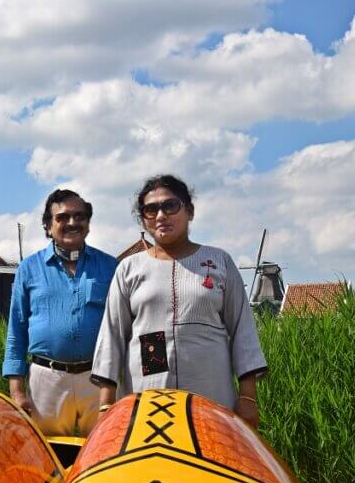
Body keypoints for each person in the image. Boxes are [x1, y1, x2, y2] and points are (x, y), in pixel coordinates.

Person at [90, 175, 267, 428]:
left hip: (212, 394)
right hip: (147, 394)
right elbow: (112, 335)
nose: (161, 215)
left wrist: (248, 397)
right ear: (144, 219)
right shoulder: (129, 268)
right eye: (151, 210)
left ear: (190, 211)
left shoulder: (219, 262)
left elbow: (243, 331)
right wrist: (106, 405)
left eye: (170, 206)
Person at [2, 189, 119, 436]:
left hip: (98, 379)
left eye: (79, 216)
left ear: (88, 223)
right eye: (62, 217)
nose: (72, 223)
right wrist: (17, 390)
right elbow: (17, 329)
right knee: (48, 454)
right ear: (48, 225)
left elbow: (122, 328)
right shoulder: (29, 268)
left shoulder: (111, 267)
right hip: (47, 379)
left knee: (103, 451)